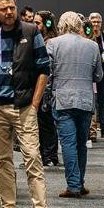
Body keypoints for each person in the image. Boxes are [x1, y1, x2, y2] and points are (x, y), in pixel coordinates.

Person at [0, 0, 53, 208]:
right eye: (4, 9)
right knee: (2, 160)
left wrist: (35, 103)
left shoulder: (31, 31)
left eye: (12, 7)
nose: (9, 12)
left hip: (24, 105)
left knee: (32, 157)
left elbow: (44, 68)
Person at [46, 11, 103, 197]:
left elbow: (48, 74)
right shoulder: (93, 45)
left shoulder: (53, 44)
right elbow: (99, 76)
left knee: (68, 144)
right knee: (81, 144)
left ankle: (73, 186)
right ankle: (79, 183)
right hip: (85, 100)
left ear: (61, 25)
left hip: (63, 100)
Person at [35, 10, 62, 167]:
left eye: (38, 23)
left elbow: (49, 70)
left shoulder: (51, 43)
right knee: (42, 123)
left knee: (47, 123)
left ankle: (50, 155)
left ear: (47, 24)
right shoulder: (41, 41)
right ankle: (45, 155)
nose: (35, 25)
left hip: (48, 89)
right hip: (41, 88)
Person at [89, 12, 104, 140]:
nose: (96, 24)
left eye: (98, 22)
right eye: (94, 21)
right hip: (92, 75)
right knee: (92, 103)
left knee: (103, 102)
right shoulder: (88, 36)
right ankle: (92, 132)